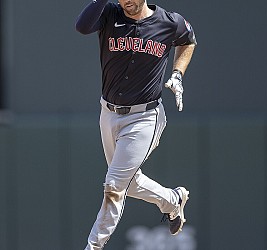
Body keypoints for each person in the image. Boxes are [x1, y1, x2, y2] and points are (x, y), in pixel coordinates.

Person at [75, 0, 197, 249]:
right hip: (108, 112)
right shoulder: (110, 13)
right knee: (129, 182)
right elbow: (82, 27)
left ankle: (94, 246)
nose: (126, 1)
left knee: (114, 186)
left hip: (144, 117)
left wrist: (177, 73)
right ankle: (171, 200)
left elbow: (188, 40)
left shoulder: (168, 21)